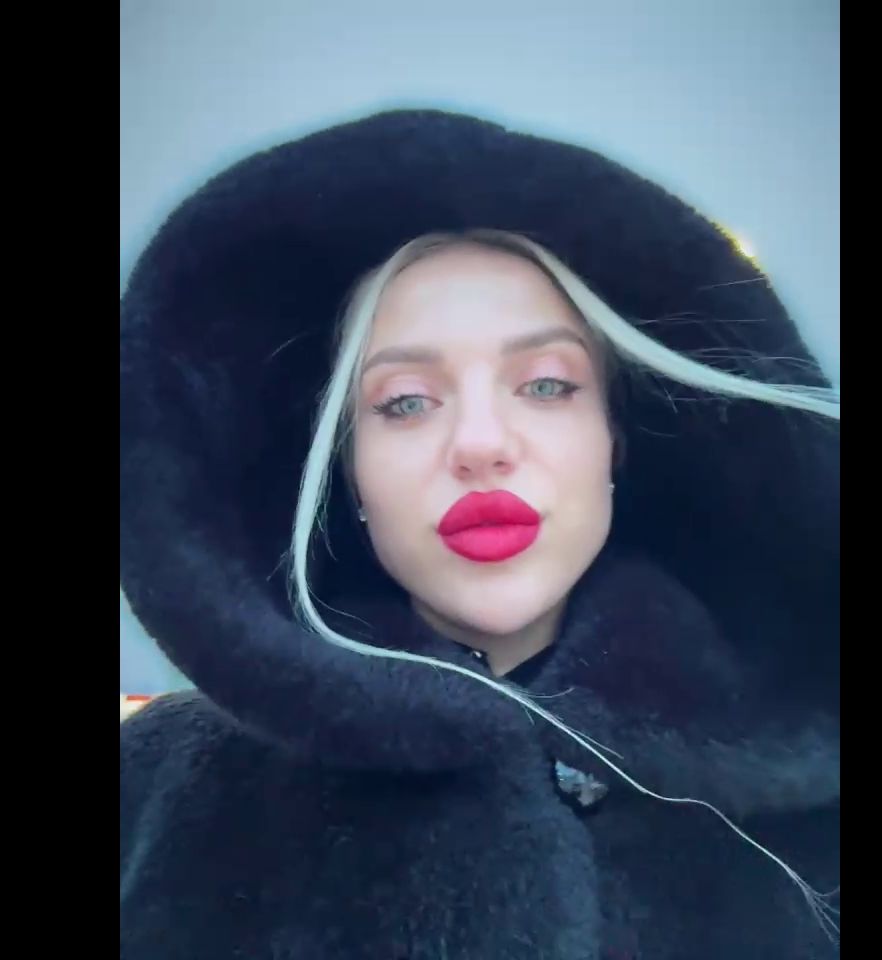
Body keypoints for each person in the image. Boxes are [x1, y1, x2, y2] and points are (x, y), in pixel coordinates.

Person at [120, 109, 839, 960]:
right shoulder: (156, 782)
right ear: (350, 473)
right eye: (405, 402)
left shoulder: (809, 782)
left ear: (615, 442)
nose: (480, 444)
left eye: (546, 385)